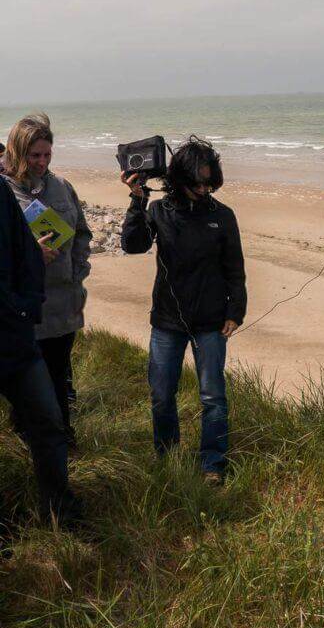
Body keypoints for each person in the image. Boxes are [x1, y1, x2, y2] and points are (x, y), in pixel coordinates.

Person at [120, 138, 246, 483]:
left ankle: (213, 464)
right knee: (161, 395)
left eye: (210, 183)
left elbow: (234, 268)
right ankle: (168, 456)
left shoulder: (223, 215)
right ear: (180, 179)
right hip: (166, 321)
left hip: (211, 321)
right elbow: (133, 245)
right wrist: (137, 199)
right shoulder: (160, 211)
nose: (204, 189)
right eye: (198, 183)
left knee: (213, 397)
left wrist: (236, 311)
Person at [3, 115, 92, 450]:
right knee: (27, 382)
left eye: (46, 154)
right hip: (23, 308)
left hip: (63, 306)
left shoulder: (62, 186)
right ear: (17, 151)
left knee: (58, 375)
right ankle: (32, 440)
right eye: (34, 155)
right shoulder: (5, 191)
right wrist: (30, 257)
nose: (41, 162)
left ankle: (61, 439)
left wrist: (77, 271)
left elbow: (82, 232)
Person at [0, 178, 82, 526]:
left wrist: (27, 308)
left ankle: (60, 511)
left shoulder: (1, 193)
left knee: (48, 423)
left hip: (14, 337)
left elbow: (24, 249)